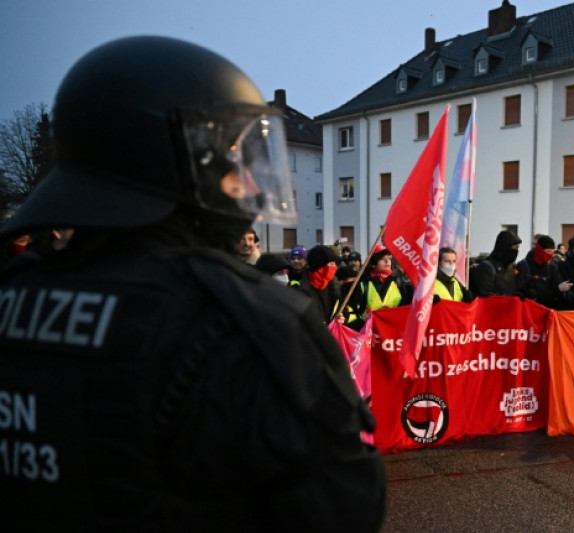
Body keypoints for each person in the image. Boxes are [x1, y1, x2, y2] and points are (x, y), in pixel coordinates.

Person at [0, 36, 385, 531]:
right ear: (170, 164)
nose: (249, 185)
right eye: (231, 164)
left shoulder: (14, 296)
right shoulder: (246, 322)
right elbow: (344, 505)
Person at [349, 245, 411, 330]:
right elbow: (354, 314)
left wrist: (394, 312)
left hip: (392, 332)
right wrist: (364, 319)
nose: (387, 261)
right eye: (382, 259)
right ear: (373, 264)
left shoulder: (399, 283)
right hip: (369, 332)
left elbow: (406, 309)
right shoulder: (363, 284)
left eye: (389, 258)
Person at [515, 234, 570, 308]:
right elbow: (520, 288)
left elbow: (556, 283)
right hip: (529, 308)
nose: (550, 255)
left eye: (552, 252)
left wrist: (561, 287)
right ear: (539, 250)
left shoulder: (551, 266)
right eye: (548, 251)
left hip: (548, 308)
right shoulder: (523, 265)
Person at [295, 245, 344, 325]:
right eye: (332, 264)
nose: (335, 268)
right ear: (321, 267)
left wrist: (339, 320)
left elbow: (341, 313)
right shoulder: (298, 290)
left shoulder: (335, 289)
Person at [469, 230, 522, 297]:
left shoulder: (511, 266)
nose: (517, 251)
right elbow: (485, 296)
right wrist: (506, 298)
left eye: (518, 247)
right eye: (515, 247)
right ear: (505, 247)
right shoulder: (487, 267)